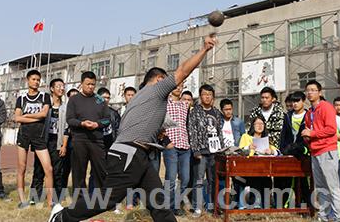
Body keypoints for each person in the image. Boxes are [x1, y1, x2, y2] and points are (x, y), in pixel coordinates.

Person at [48, 35, 217, 222]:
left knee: (159, 204)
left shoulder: (143, 98)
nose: (179, 85)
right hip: (129, 153)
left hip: (138, 154)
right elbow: (182, 71)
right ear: (159, 79)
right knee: (108, 200)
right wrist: (204, 49)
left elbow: (147, 125)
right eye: (171, 82)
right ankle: (61, 217)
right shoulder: (156, 90)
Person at [301, 80, 340, 222]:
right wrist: (307, 137)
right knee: (320, 187)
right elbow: (311, 131)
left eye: (313, 90)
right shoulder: (309, 113)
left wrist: (312, 134)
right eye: (308, 90)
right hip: (315, 152)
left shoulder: (326, 107)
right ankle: (324, 216)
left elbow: (331, 129)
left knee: (333, 187)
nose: (310, 92)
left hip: (327, 150)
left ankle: (339, 217)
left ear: (319, 93)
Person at [14, 70, 53, 208]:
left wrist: (25, 117)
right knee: (22, 168)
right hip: (23, 136)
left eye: (38, 79)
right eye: (33, 79)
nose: (36, 82)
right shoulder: (21, 98)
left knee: (48, 168)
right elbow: (16, 118)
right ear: (28, 80)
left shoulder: (45, 96)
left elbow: (43, 114)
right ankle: (23, 200)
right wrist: (26, 118)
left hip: (39, 137)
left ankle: (50, 202)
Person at [66, 71, 110, 193]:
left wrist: (97, 124)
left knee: (101, 171)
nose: (90, 87)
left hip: (97, 140)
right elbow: (69, 120)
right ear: (81, 84)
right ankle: (80, 200)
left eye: (93, 84)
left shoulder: (100, 100)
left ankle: (102, 199)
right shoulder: (74, 100)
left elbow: (107, 120)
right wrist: (82, 123)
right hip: (79, 140)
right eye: (88, 84)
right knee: (79, 172)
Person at [249, 86, 290, 208]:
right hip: (258, 150)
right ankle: (258, 203)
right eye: (262, 97)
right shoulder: (255, 112)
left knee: (279, 179)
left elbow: (285, 134)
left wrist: (279, 150)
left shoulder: (281, 114)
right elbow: (251, 130)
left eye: (267, 97)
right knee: (258, 177)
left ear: (273, 99)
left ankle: (279, 204)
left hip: (275, 150)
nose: (264, 100)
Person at [188, 84, 224, 218]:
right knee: (198, 180)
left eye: (209, 94)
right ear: (200, 96)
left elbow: (220, 133)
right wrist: (196, 150)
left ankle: (211, 206)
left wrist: (221, 150)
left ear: (213, 97)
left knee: (212, 180)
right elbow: (192, 131)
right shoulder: (195, 112)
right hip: (201, 152)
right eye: (204, 94)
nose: (207, 97)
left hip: (214, 152)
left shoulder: (217, 113)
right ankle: (197, 207)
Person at [30, 78, 69, 203]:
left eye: (62, 86)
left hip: (57, 142)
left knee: (57, 171)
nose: (61, 88)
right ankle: (35, 197)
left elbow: (67, 129)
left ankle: (55, 198)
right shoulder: (45, 105)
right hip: (43, 141)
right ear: (52, 89)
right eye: (58, 86)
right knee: (39, 169)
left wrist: (64, 145)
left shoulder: (66, 107)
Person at [163, 84, 191, 216]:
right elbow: (159, 123)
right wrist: (166, 141)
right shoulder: (164, 103)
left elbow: (188, 124)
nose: (178, 88)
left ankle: (177, 204)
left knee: (185, 178)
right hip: (171, 146)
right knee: (171, 178)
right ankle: (168, 207)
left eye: (181, 86)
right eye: (176, 86)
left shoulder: (185, 105)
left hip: (185, 146)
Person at [238, 116, 277, 209]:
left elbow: (276, 151)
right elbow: (240, 151)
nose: (260, 126)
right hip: (247, 168)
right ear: (252, 125)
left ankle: (263, 205)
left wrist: (271, 151)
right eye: (257, 124)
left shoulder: (266, 139)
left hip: (263, 168)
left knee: (266, 180)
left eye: (262, 124)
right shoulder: (246, 137)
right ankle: (255, 204)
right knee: (256, 177)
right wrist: (248, 147)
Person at [280, 91, 311, 209]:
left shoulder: (308, 115)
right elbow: (284, 134)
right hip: (289, 151)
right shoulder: (287, 116)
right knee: (286, 179)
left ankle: (305, 204)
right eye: (293, 101)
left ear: (303, 101)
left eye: (297, 101)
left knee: (303, 180)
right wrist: (283, 148)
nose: (295, 104)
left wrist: (305, 148)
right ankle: (284, 204)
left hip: (302, 151)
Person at [61, 88, 79, 192]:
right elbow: (65, 129)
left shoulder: (82, 110)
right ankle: (61, 191)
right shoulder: (64, 110)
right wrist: (64, 145)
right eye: (72, 96)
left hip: (79, 143)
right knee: (64, 169)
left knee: (77, 171)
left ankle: (77, 193)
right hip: (66, 143)